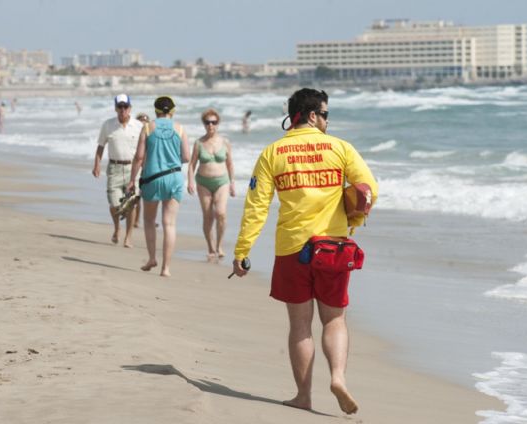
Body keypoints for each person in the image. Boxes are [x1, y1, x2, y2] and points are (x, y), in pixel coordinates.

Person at [231, 88, 378, 415]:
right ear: (312, 115)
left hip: (291, 250)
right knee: (334, 319)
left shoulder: (273, 152)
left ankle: (303, 396)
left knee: (300, 326)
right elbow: (369, 190)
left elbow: (256, 206)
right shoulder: (341, 148)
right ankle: (338, 377)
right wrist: (353, 219)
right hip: (334, 247)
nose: (327, 121)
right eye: (325, 115)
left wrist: (243, 250)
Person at [128, 96, 190, 277]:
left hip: (152, 178)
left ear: (155, 111)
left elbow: (139, 157)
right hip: (174, 178)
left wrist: (132, 180)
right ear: (172, 111)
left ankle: (152, 258)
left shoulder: (147, 128)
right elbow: (186, 157)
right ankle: (166, 268)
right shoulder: (180, 129)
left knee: (149, 221)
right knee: (169, 224)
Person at [92, 94, 143, 247]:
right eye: (119, 107)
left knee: (131, 203)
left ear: (130, 108)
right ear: (115, 108)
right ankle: (117, 228)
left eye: (125, 107)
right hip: (114, 168)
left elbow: (144, 149)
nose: (122, 110)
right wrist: (97, 165)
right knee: (114, 204)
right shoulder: (108, 125)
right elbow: (101, 146)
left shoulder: (138, 126)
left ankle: (128, 236)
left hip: (133, 169)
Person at [187, 109, 236, 261]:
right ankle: (210, 246)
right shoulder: (199, 143)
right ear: (204, 124)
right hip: (203, 182)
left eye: (213, 122)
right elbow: (191, 164)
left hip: (222, 181)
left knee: (221, 213)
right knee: (208, 216)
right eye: (207, 122)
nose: (210, 125)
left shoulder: (225, 142)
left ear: (217, 123)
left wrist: (232, 182)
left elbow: (230, 164)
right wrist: (189, 181)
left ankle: (219, 245)